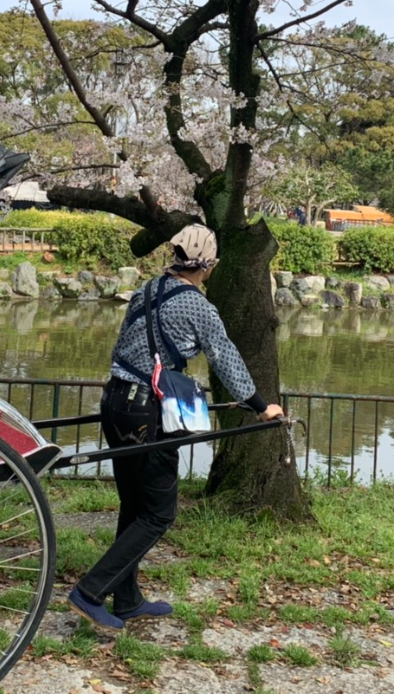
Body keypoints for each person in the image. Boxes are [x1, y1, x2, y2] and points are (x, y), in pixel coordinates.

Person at [67, 224, 285, 632]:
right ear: (210, 266)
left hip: (115, 400)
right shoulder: (198, 306)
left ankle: (127, 599)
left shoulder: (146, 290)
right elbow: (225, 356)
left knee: (135, 506)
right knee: (159, 513)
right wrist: (260, 406)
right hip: (148, 411)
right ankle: (90, 591)